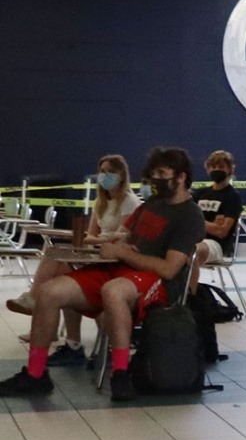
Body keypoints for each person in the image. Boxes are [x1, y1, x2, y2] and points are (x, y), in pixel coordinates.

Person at [1, 147, 205, 401]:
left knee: (114, 291)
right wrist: (109, 246)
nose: (156, 180)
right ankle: (35, 374)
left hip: (158, 282)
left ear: (181, 177)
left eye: (162, 174)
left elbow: (169, 268)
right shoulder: (151, 205)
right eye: (153, 174)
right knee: (48, 291)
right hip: (121, 269)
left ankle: (120, 372)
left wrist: (124, 253)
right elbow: (126, 236)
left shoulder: (190, 215)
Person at [7, 154, 142, 366]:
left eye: (110, 172)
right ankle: (67, 338)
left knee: (64, 270)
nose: (104, 176)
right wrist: (83, 238)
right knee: (56, 254)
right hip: (97, 250)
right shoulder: (101, 201)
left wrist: (96, 239)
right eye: (102, 171)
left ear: (122, 174)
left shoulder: (130, 202)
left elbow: (121, 236)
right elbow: (90, 236)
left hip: (113, 256)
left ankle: (37, 304)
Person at [192, 150, 243, 267]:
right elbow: (185, 221)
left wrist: (197, 222)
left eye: (221, 167)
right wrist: (211, 225)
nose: (216, 170)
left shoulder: (232, 196)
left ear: (229, 169)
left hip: (216, 245)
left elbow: (221, 232)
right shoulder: (199, 194)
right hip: (194, 239)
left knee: (191, 252)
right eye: (213, 167)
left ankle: (191, 285)